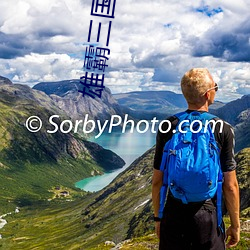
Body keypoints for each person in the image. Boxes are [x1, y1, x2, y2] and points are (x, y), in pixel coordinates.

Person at [152, 68, 240, 250]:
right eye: (216, 87)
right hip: (207, 215)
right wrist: (235, 225)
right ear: (208, 94)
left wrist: (158, 218)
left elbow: (157, 181)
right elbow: (230, 185)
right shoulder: (222, 129)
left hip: (174, 212)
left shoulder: (168, 125)